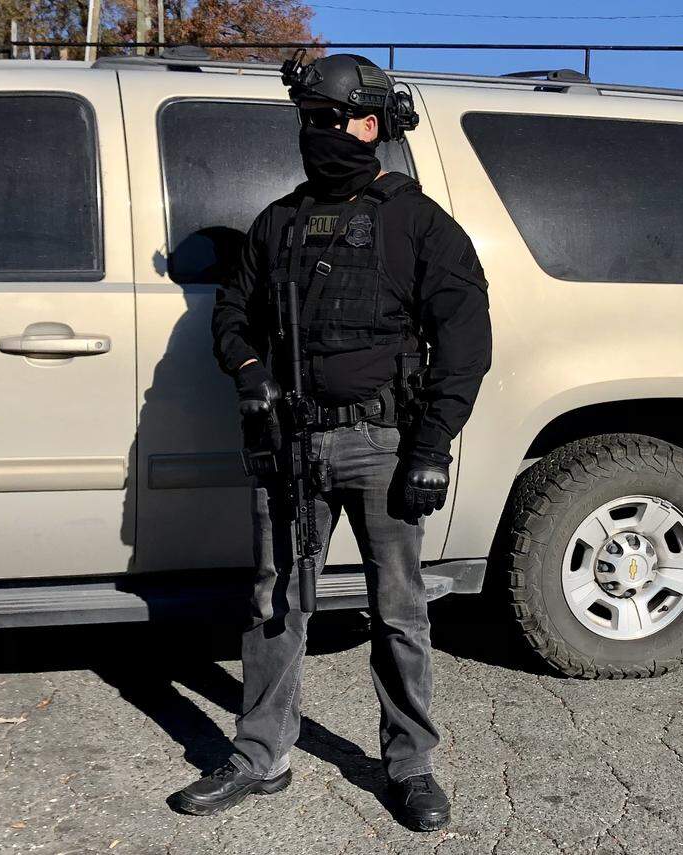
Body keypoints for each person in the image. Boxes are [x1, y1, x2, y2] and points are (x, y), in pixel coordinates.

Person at [174, 52, 492, 832]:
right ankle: (260, 754)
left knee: (399, 610)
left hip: (383, 444)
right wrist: (249, 372)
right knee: (274, 605)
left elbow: (465, 342)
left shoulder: (419, 224)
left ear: (373, 125)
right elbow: (232, 316)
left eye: (333, 119)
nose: (319, 134)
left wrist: (431, 446)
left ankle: (411, 761)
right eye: (309, 121)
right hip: (290, 445)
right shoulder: (278, 222)